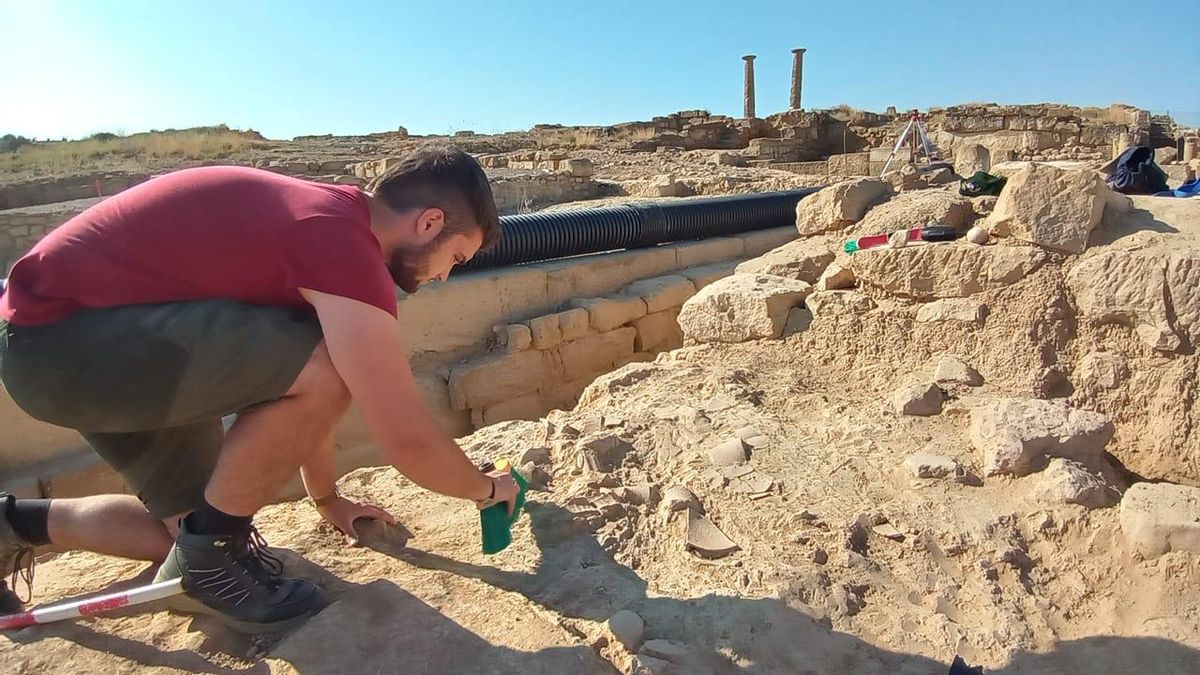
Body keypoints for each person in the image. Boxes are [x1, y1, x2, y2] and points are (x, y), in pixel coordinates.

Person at [0, 145, 521, 633]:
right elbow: (403, 436)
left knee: (189, 533)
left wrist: (327, 499)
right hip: (67, 344)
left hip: (81, 344)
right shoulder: (342, 245)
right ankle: (211, 562)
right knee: (214, 545)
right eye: (455, 256)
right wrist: (488, 489)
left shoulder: (327, 221)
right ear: (429, 222)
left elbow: (304, 399)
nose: (446, 277)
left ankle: (12, 524)